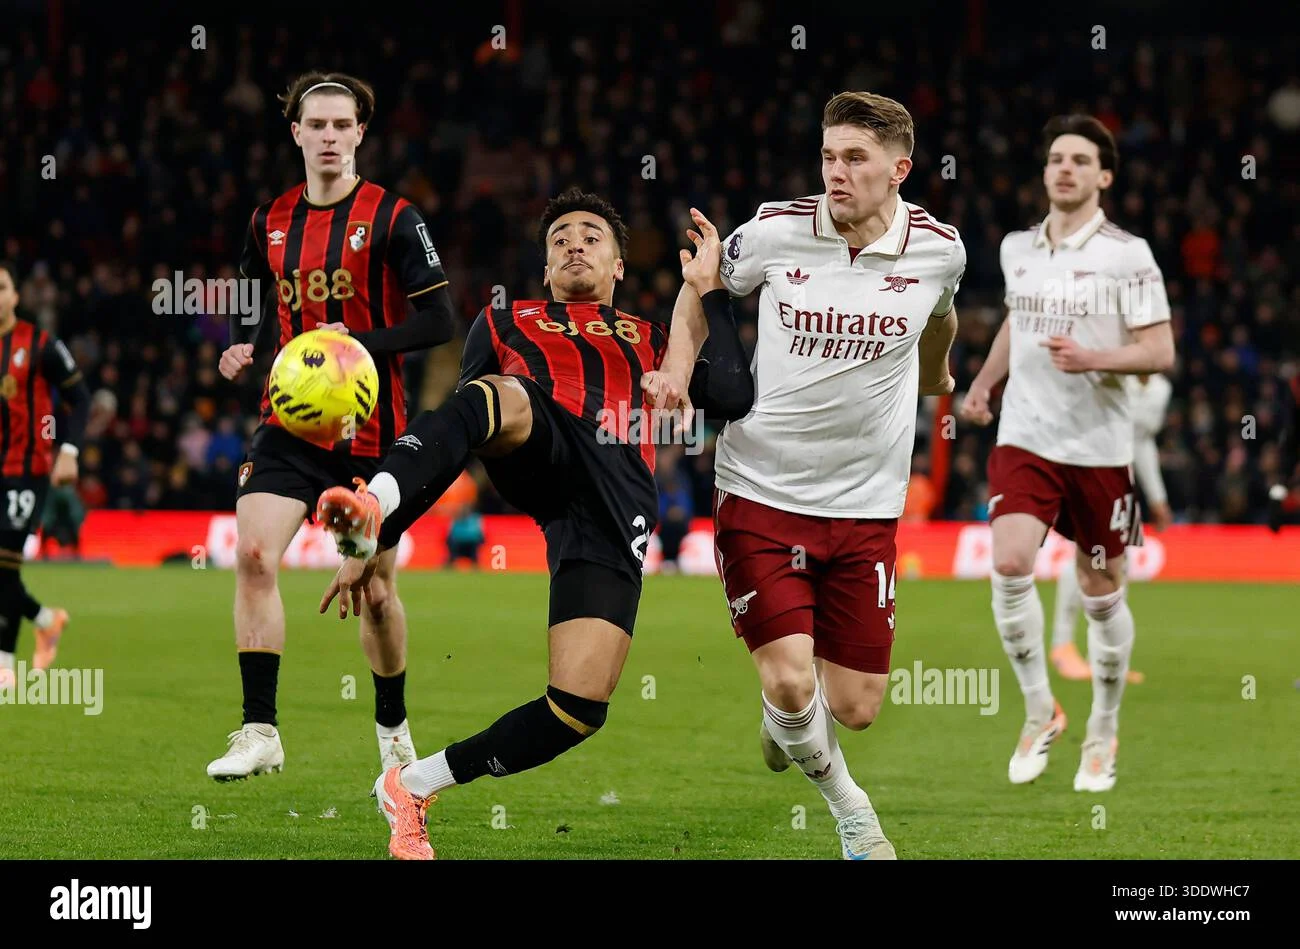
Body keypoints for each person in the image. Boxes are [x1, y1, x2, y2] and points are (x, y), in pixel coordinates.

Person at [314, 187, 753, 860]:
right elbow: (456, 436)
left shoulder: (656, 337)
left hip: (614, 501)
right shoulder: (505, 320)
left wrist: (712, 289)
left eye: (591, 237)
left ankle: (411, 785)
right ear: (546, 269)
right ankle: (373, 497)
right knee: (493, 395)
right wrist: (383, 525)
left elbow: (733, 396)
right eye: (560, 239)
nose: (575, 244)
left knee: (577, 707)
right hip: (541, 439)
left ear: (618, 266)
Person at [645, 91, 967, 859]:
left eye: (855, 158)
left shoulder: (939, 249)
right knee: (794, 680)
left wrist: (938, 373)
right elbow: (699, 287)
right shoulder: (776, 230)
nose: (836, 172)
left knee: (855, 706)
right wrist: (675, 372)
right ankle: (854, 814)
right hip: (760, 491)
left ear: (900, 169)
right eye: (828, 156)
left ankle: (785, 720)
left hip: (866, 506)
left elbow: (942, 312)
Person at [207, 72, 456, 781]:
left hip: (372, 433)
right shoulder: (269, 220)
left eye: (342, 125)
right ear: (295, 132)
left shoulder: (395, 217)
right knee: (255, 556)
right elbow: (259, 298)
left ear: (360, 133)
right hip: (288, 424)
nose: (328, 136)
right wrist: (245, 344)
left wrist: (358, 344)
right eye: (315, 124)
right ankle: (260, 730)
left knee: (375, 594)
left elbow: (439, 319)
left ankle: (393, 730)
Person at [960, 114, 1175, 792]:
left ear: (1104, 176)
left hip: (1100, 448)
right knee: (1009, 562)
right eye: (1056, 158)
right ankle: (1038, 710)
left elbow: (1160, 350)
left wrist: (1092, 358)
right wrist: (984, 383)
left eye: (1080, 160)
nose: (1065, 168)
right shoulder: (1017, 248)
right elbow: (1018, 324)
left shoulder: (1129, 255)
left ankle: (1103, 729)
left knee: (1100, 591)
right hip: (1026, 436)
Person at [1050, 371, 1172, 683]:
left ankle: (1107, 656)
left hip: (1120, 479)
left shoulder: (1160, 390)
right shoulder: (1110, 373)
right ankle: (1063, 645)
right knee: (1086, 554)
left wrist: (1157, 496)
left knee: (1118, 561)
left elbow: (1141, 443)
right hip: (1085, 466)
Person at [0, 261, 87, 690]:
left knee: (4, 564)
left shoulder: (40, 344)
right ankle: (46, 620)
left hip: (25, 469)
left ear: (16, 296)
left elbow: (80, 398)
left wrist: (68, 451)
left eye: (1, 287)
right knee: (3, 569)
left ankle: (3, 666)